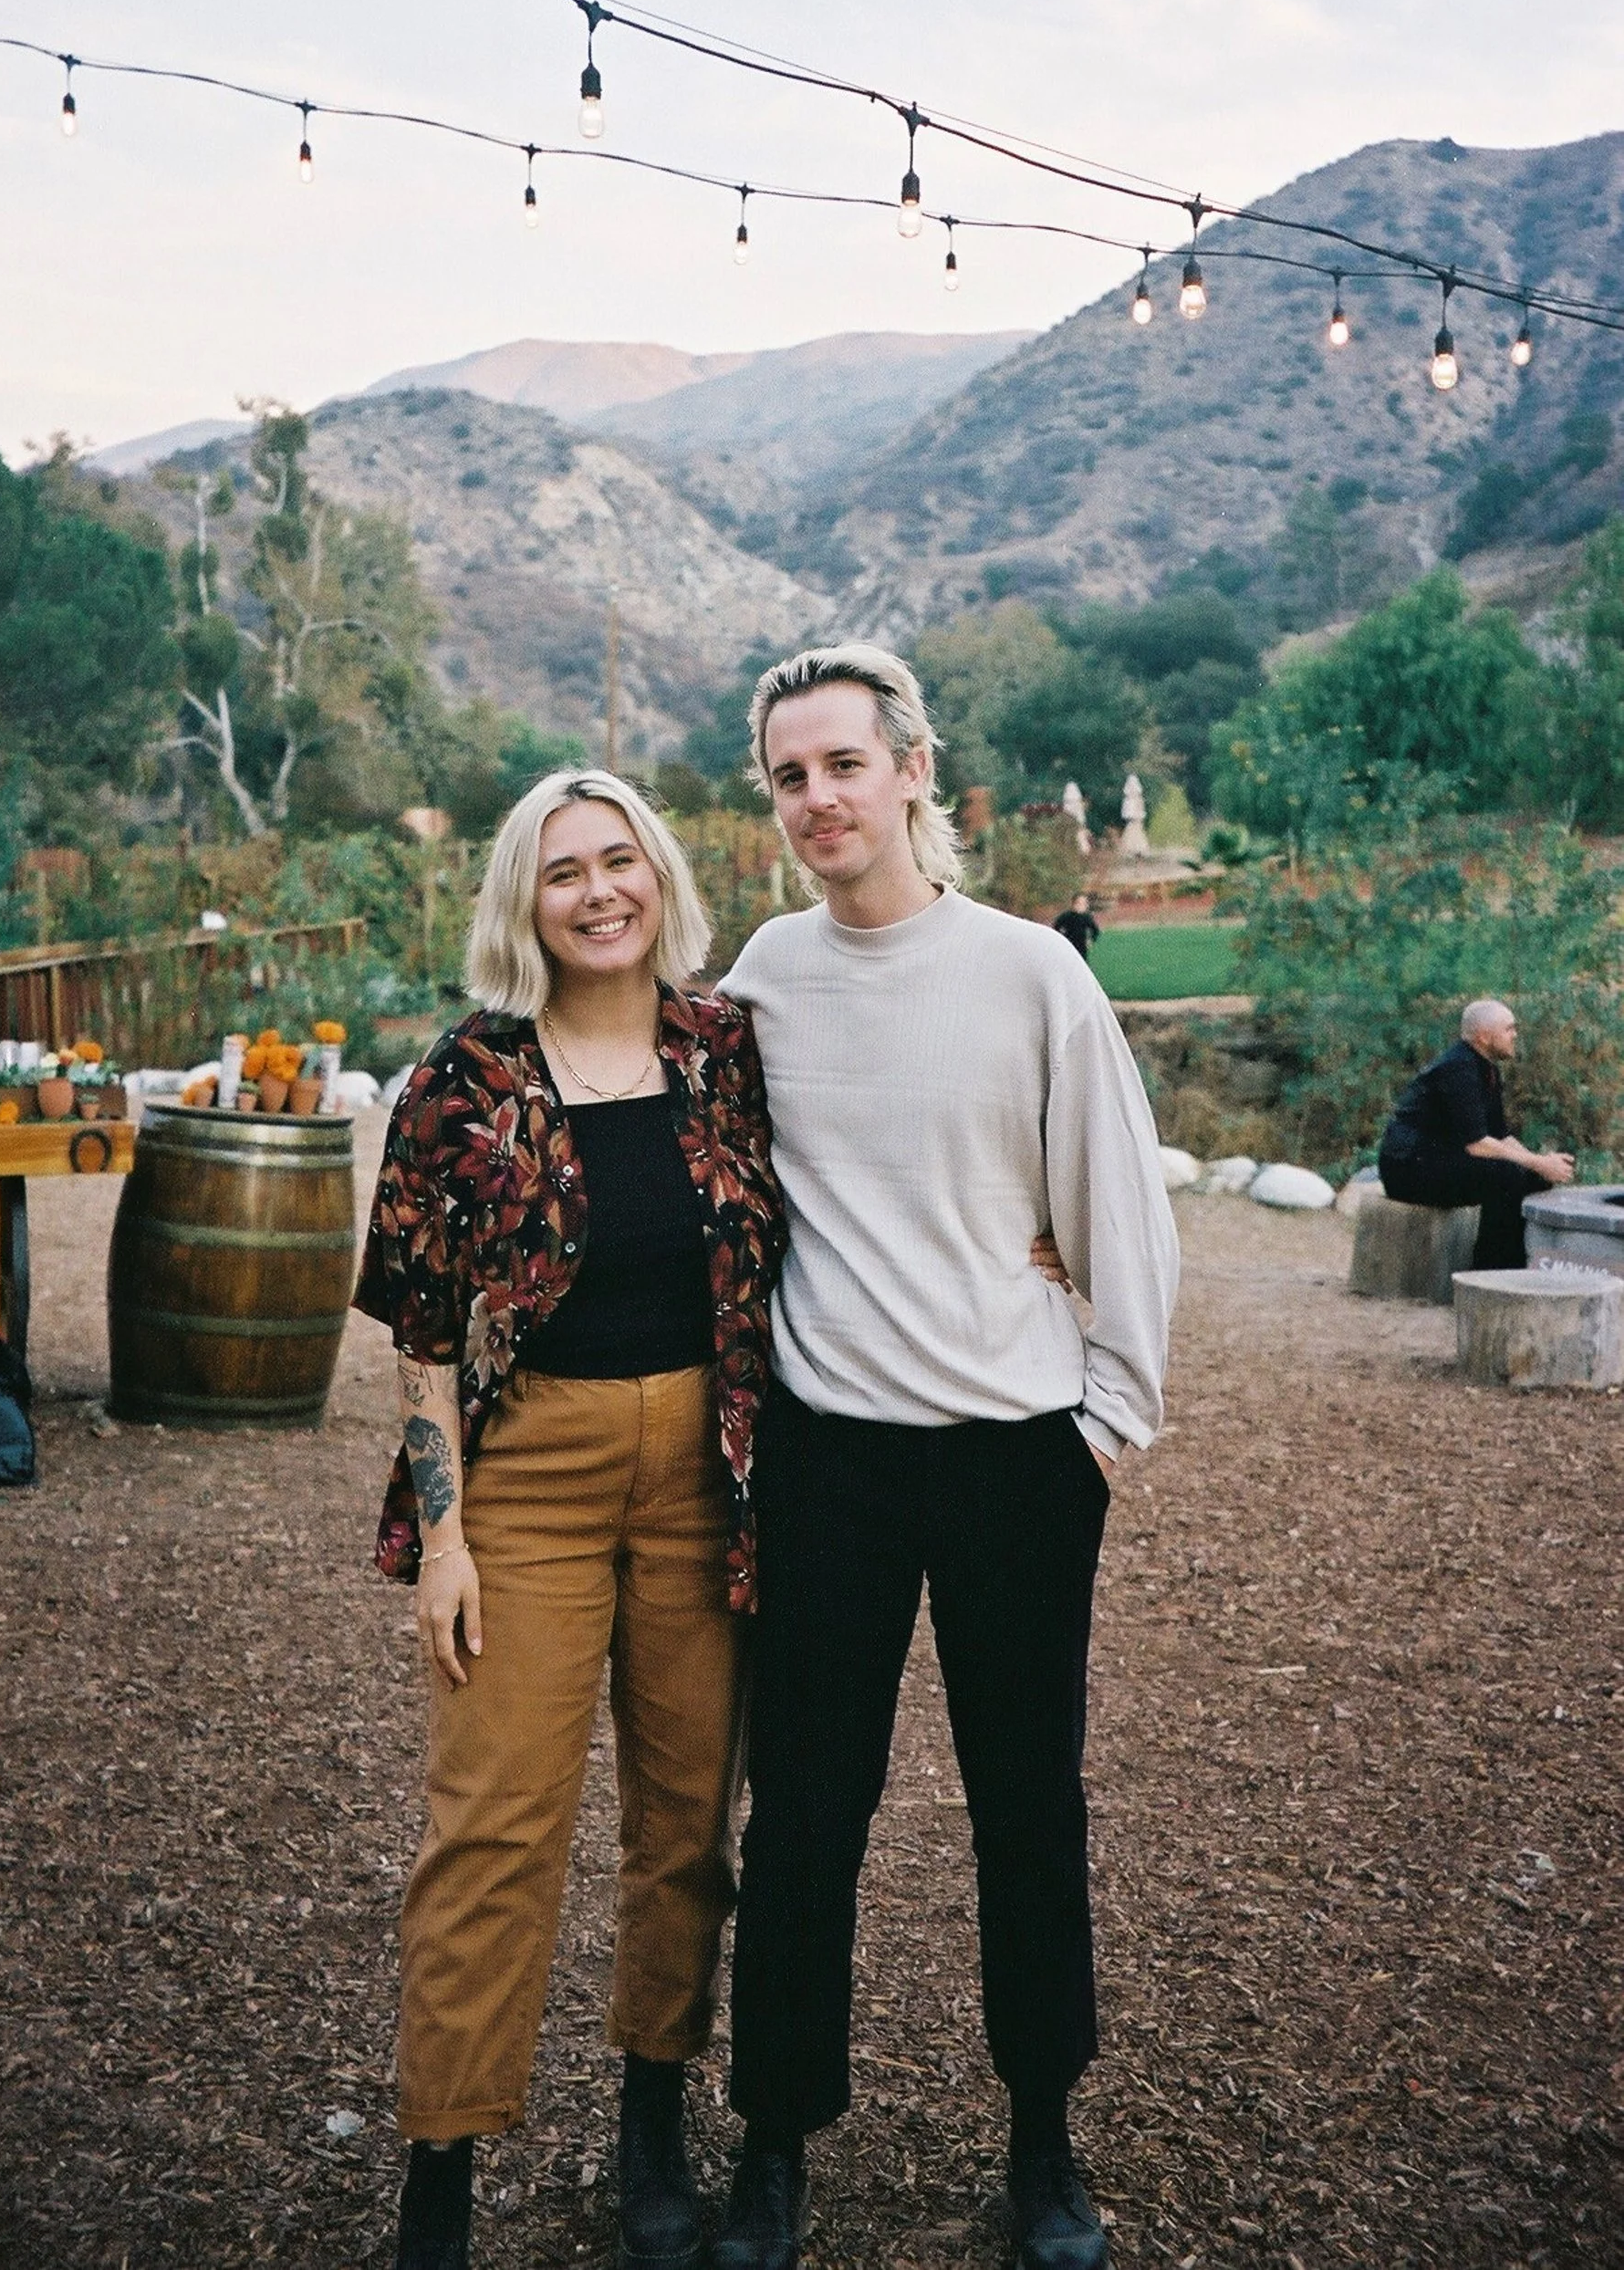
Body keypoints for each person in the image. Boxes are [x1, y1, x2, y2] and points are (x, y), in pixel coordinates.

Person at [712, 643, 1179, 2270]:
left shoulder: (1028, 975)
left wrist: (1105, 1417)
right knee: (806, 1813)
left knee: (1024, 1800)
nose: (817, 800)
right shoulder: (762, 977)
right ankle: (772, 2142)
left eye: (843, 763)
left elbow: (1113, 1195)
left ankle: (1042, 2139)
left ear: (915, 769)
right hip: (829, 1451)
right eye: (787, 776)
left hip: (1008, 1457)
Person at [352, 771, 783, 2270]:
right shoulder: (463, 1079)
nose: (598, 893)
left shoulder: (725, 1050)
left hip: (704, 1478)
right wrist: (444, 1538)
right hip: (525, 1477)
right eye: (562, 874)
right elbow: (416, 1329)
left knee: (687, 1822)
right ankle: (441, 2168)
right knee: (491, 1827)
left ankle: (652, 2117)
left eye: (619, 861)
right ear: (520, 906)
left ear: (657, 874)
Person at [1378, 998, 1574, 1269]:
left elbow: (1500, 1137)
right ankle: (1488, 1273)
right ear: (1483, 1036)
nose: (1515, 1035)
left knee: (1532, 1178)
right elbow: (1477, 1145)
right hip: (1408, 1169)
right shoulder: (1458, 1069)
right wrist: (1538, 1161)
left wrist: (1540, 1163)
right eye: (1509, 1029)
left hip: (1439, 1161)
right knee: (1505, 1177)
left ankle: (1519, 1267)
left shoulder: (1487, 1069)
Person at [1053, 893, 1101, 962]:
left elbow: (1095, 930)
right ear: (1073, 904)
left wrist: (1090, 940)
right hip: (1069, 944)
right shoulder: (1066, 916)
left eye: (1084, 904)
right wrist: (1062, 939)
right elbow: (1056, 926)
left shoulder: (1087, 917)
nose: (1081, 906)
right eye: (1079, 903)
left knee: (1081, 963)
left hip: (1082, 945)